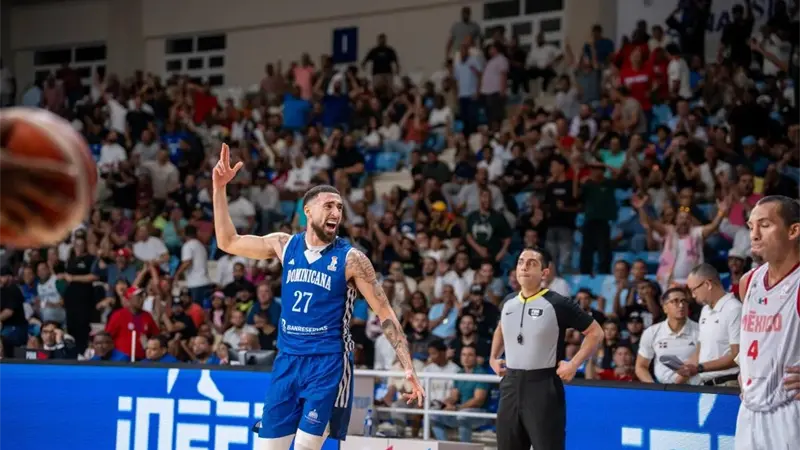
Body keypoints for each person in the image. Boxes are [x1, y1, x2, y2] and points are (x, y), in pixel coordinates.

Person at [212, 143, 424, 450]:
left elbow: (385, 313)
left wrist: (408, 366)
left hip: (328, 363)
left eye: (339, 207)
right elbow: (228, 241)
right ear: (307, 211)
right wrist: (219, 189)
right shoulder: (285, 245)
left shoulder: (352, 259)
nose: (336, 212)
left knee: (305, 447)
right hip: (287, 360)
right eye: (329, 206)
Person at [489, 247, 603, 450]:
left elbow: (596, 332)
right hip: (510, 385)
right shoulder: (508, 302)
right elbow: (501, 328)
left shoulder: (557, 303)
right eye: (521, 262)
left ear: (545, 272)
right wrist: (493, 358)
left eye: (531, 263)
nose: (524, 267)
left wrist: (573, 364)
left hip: (543, 385)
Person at [734, 196, 800, 450]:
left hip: (790, 411)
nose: (754, 234)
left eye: (765, 225)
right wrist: (745, 369)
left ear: (793, 230)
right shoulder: (748, 282)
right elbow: (754, 339)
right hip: (749, 410)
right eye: (751, 226)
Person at [678, 263, 741, 386]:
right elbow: (700, 349)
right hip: (707, 384)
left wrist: (700, 368)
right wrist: (686, 369)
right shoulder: (705, 310)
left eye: (693, 289)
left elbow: (737, 356)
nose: (693, 295)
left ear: (708, 284)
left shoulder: (734, 309)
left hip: (729, 383)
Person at [635, 287, 700, 384]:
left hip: (694, 388)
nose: (681, 305)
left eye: (684, 301)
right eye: (675, 301)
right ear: (665, 308)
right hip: (663, 388)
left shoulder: (700, 330)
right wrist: (653, 387)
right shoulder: (652, 332)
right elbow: (641, 366)